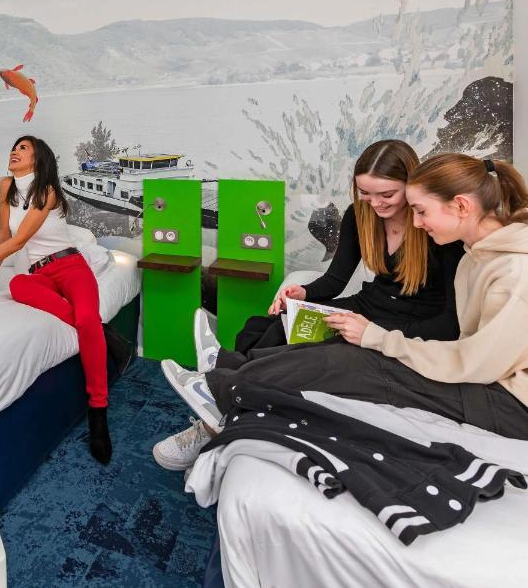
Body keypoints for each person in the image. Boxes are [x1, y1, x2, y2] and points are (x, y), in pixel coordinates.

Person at [154, 153, 528, 471]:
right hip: (481, 375)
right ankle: (224, 375)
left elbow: (472, 359)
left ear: (461, 206)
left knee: (353, 361)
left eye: (420, 210)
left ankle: (221, 387)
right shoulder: (477, 256)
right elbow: (476, 350)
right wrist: (307, 297)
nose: (416, 222)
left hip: (507, 401)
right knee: (295, 333)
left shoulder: (512, 272)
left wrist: (379, 338)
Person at [200, 139, 464, 371]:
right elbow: (335, 280)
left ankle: (233, 377)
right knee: (268, 325)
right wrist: (301, 294)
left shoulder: (440, 231)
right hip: (369, 305)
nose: (375, 204)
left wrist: (374, 332)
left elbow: (450, 324)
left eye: (387, 194)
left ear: (412, 185)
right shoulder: (359, 215)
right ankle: (229, 373)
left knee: (312, 346)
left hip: (412, 321)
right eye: (365, 194)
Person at [0, 135, 115, 464]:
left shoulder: (47, 191)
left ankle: (98, 412)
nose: (14, 151)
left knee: (85, 318)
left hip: (71, 267)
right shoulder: (6, 185)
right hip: (40, 273)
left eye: (23, 148)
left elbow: (20, 240)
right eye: (14, 147)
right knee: (18, 284)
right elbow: (4, 235)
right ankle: (102, 334)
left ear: (38, 158)